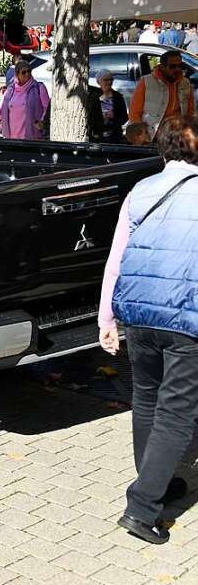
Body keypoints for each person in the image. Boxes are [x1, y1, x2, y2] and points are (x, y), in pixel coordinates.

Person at [99, 115, 198, 545]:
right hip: (184, 317)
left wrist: (106, 319)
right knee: (177, 412)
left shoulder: (141, 191)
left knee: (146, 399)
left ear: (162, 149)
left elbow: (116, 259)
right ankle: (141, 508)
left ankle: (155, 484)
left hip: (137, 313)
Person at [130, 50, 196, 136]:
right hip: (152, 135)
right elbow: (135, 113)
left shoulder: (185, 83)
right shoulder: (146, 81)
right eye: (172, 66)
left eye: (180, 66)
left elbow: (190, 112)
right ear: (162, 67)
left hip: (176, 136)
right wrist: (140, 136)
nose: (177, 69)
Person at [0, 60, 49, 140]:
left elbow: (47, 108)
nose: (27, 74)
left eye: (29, 71)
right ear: (17, 74)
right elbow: (0, 108)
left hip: (32, 135)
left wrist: (42, 121)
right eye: (24, 72)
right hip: (12, 136)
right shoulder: (11, 89)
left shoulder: (39, 87)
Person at [86, 69, 129, 144]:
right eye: (106, 80)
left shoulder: (118, 97)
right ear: (98, 82)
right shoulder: (93, 96)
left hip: (114, 137)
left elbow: (124, 118)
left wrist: (114, 116)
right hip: (96, 137)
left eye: (111, 79)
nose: (109, 82)